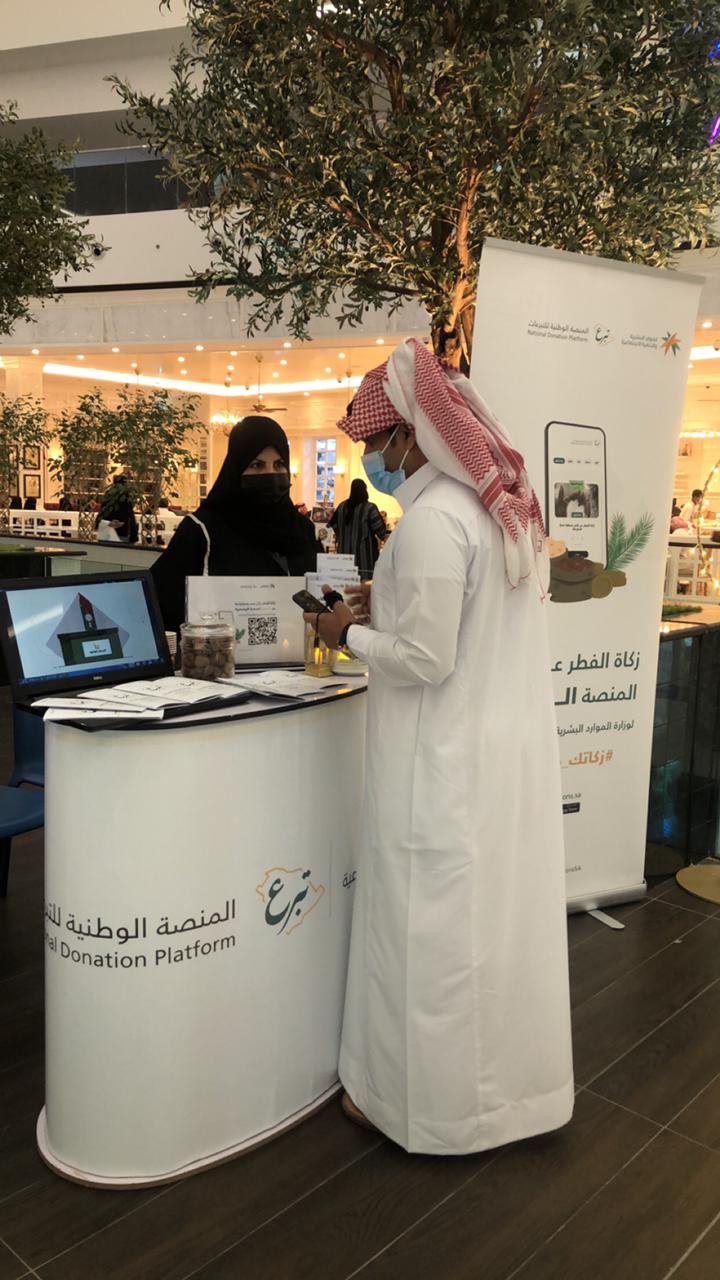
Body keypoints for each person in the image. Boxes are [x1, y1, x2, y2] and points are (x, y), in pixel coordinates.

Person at [306, 338, 573, 1156]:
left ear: (412, 433)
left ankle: (418, 1108)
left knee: (426, 937)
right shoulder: (490, 514)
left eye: (373, 438)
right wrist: (379, 600)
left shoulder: (431, 522)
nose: (370, 454)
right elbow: (457, 617)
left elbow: (427, 659)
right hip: (488, 760)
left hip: (437, 765)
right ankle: (505, 1103)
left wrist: (346, 635)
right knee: (486, 933)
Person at [151, 416, 318, 634]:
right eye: (257, 465)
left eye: (279, 464)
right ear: (236, 469)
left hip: (299, 653)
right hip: (220, 652)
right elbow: (161, 599)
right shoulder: (203, 529)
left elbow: (319, 596)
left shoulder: (302, 529)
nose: (270, 474)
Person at [329, 478, 388, 578]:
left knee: (345, 583)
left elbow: (333, 524)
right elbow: (381, 532)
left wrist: (341, 537)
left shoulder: (342, 507)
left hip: (344, 557)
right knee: (364, 583)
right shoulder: (369, 508)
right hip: (364, 558)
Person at [95, 475, 139, 545]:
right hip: (123, 530)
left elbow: (102, 512)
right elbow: (129, 514)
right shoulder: (125, 494)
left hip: (106, 529)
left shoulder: (108, 493)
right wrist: (134, 536)